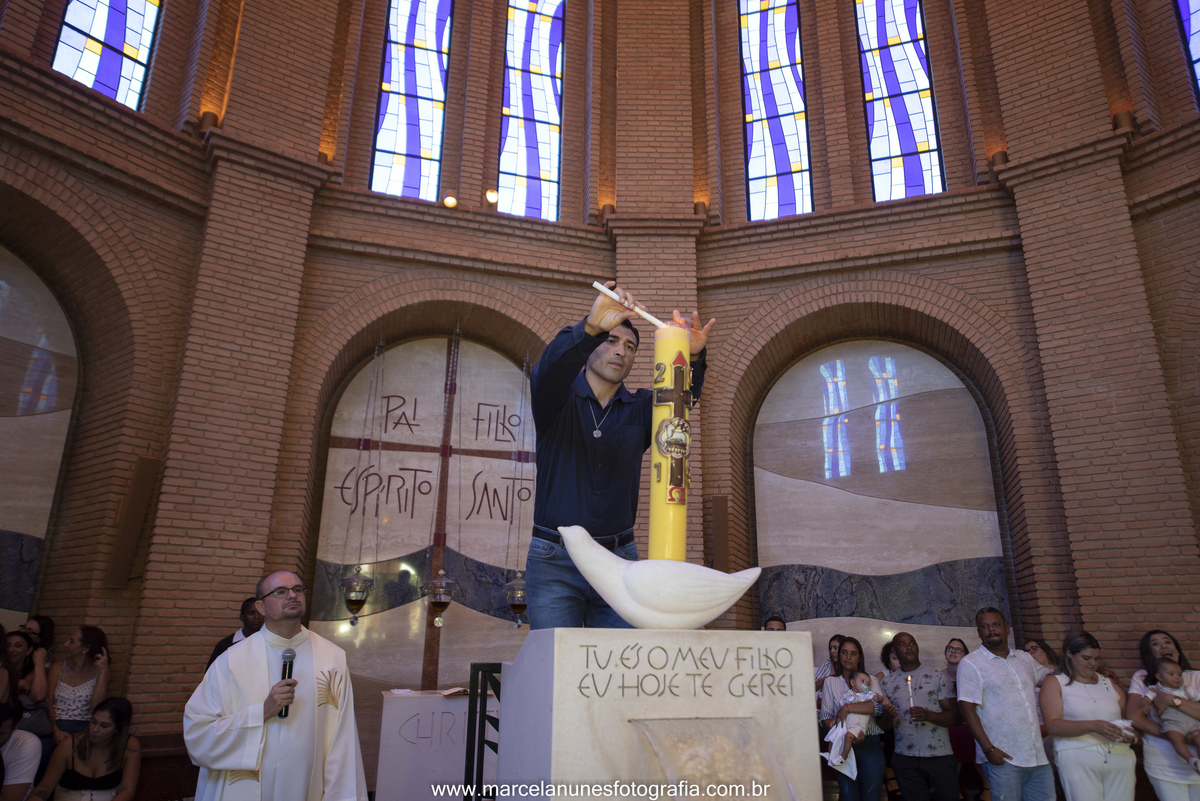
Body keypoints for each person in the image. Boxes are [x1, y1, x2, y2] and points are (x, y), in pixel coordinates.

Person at [526, 281, 714, 628]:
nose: (621, 351)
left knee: (620, 669)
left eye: (630, 346)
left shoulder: (641, 407)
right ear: (593, 346)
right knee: (556, 668)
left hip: (619, 559)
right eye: (611, 341)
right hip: (555, 557)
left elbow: (680, 402)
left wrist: (693, 357)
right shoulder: (556, 399)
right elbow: (550, 367)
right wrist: (591, 326)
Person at [184, 570, 368, 800]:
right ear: (261, 607)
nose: (292, 595)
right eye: (280, 591)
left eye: (298, 589)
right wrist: (262, 712)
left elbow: (343, 739)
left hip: (306, 787)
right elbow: (198, 733)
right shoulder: (231, 661)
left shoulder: (332, 659)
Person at [956, 607, 1055, 800]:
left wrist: (1074, 668)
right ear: (978, 632)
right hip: (1003, 757)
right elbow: (967, 709)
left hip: (1036, 754)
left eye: (995, 624)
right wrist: (989, 750)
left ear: (1006, 628)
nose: (991, 630)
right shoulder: (971, 663)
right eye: (984, 626)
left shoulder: (1024, 658)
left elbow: (1051, 679)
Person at [1038, 631, 1136, 801]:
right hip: (1077, 757)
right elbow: (1052, 725)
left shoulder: (1108, 681)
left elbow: (1128, 721)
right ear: (1069, 653)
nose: (1093, 664)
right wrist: (1092, 725)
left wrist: (1131, 736)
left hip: (1119, 756)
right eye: (1087, 658)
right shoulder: (1055, 682)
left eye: (1096, 659)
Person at [880, 632, 959, 801]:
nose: (909, 647)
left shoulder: (938, 676)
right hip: (905, 759)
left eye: (912, 643)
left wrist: (929, 715)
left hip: (940, 756)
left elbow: (954, 718)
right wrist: (887, 716)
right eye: (903, 644)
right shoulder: (887, 683)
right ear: (894, 651)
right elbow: (884, 727)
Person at [1126, 629, 1200, 799]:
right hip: (1163, 764)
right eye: (1156, 643)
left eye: (1167, 641)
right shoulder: (1142, 678)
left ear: (1177, 649)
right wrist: (1177, 736)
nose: (1163, 645)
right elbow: (1134, 716)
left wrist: (1172, 700)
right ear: (1149, 653)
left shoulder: (1195, 677)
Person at [821, 636, 892, 800]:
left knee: (871, 796)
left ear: (859, 657)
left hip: (870, 745)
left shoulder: (871, 680)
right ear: (839, 655)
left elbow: (878, 707)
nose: (848, 657)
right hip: (842, 745)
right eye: (844, 653)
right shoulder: (831, 682)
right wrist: (838, 732)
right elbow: (825, 716)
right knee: (848, 796)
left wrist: (847, 708)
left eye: (853, 653)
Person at [29, 696, 140, 800]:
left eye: (104, 726)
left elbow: (128, 789)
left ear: (118, 729)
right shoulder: (69, 745)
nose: (95, 730)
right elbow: (45, 787)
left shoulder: (129, 746)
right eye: (93, 722)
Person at [47, 627, 109, 744]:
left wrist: (103, 673)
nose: (65, 644)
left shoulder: (99, 672)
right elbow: (48, 701)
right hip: (57, 723)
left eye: (71, 641)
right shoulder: (58, 668)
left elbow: (96, 705)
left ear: (86, 648)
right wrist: (55, 730)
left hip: (85, 727)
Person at [1148, 659, 1200, 772]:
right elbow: (1145, 701)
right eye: (1171, 674)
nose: (1177, 677)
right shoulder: (1155, 690)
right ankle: (1190, 759)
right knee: (1174, 738)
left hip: (1192, 720)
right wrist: (1145, 705)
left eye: (1179, 674)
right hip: (1173, 722)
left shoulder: (1187, 690)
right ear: (1159, 677)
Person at [827, 670, 884, 766]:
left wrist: (884, 700)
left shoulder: (867, 695)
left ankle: (842, 757)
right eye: (862, 681)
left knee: (849, 736)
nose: (865, 684)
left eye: (868, 683)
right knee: (833, 736)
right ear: (853, 683)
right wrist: (835, 719)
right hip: (846, 723)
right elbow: (840, 709)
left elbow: (878, 699)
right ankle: (830, 755)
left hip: (858, 724)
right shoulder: (847, 695)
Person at [207, 597, 265, 669]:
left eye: (259, 613)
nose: (256, 617)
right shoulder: (225, 645)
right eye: (251, 613)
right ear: (242, 617)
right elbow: (211, 675)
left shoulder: (269, 643)